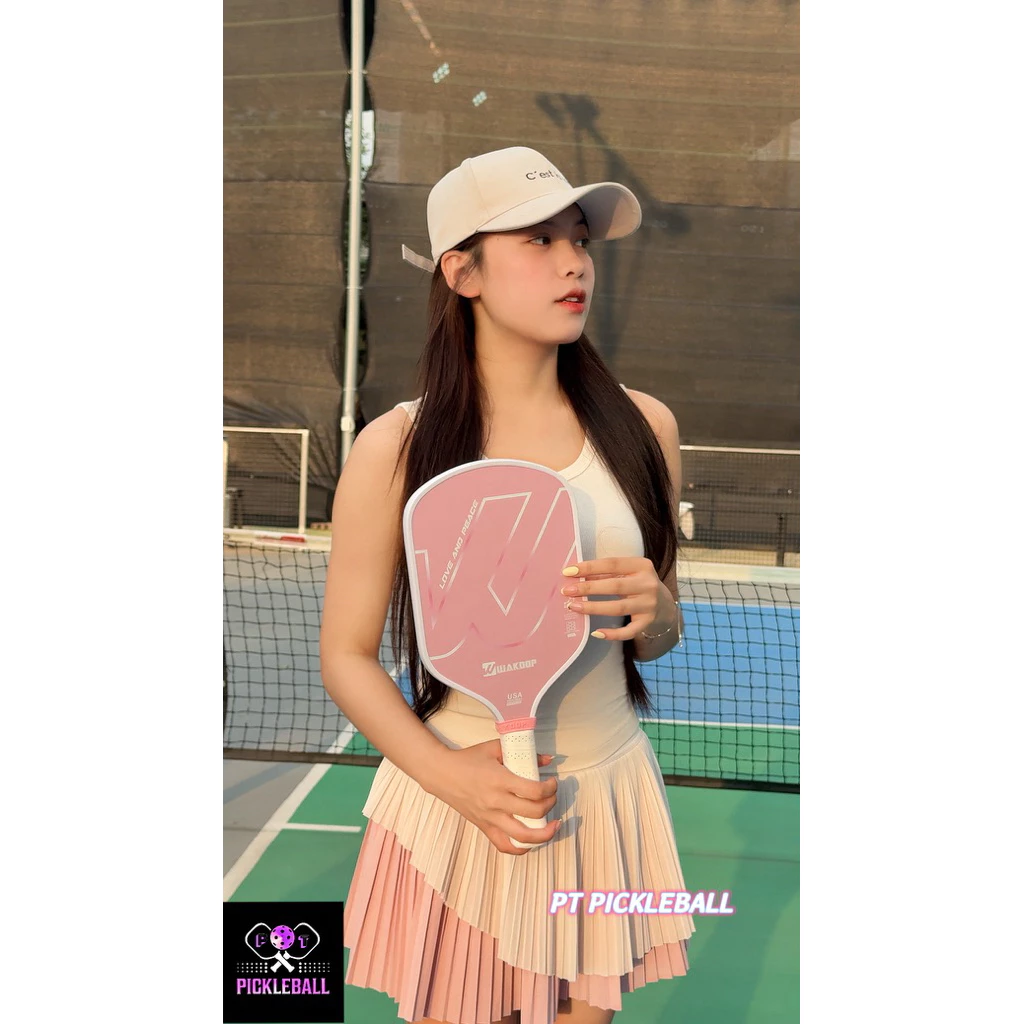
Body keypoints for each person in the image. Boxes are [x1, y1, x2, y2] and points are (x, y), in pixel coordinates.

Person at [320, 147, 694, 1024]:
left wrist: (657, 609)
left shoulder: (647, 426)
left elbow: (657, 636)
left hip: (607, 798)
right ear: (463, 273)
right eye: (538, 240)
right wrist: (451, 778)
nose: (574, 263)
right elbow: (346, 656)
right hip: (463, 801)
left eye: (580, 241)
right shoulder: (396, 446)